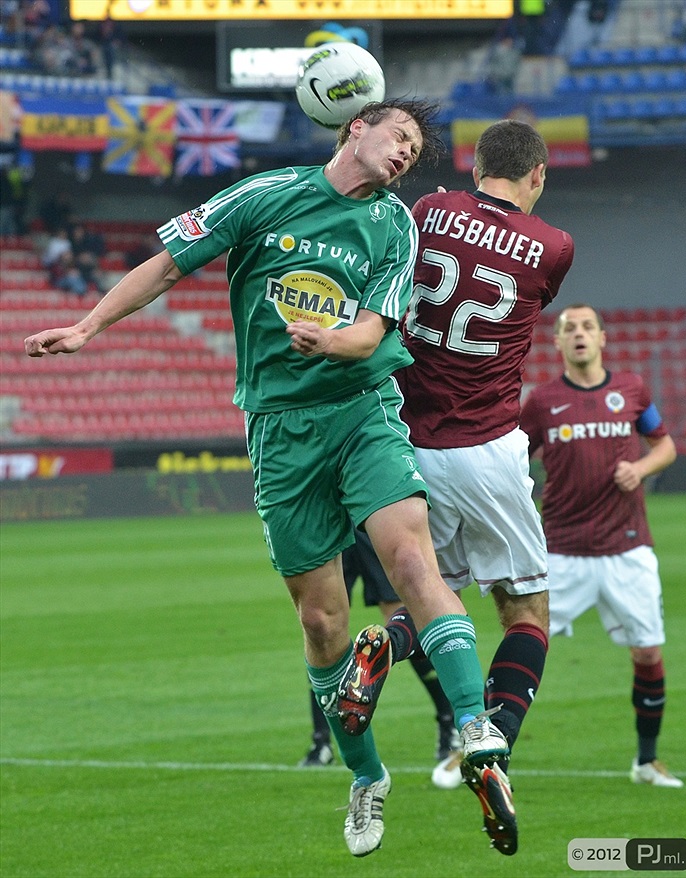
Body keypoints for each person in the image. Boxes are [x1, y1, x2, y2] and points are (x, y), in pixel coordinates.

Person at [23, 99, 511, 859]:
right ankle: (366, 777)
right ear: (357, 126)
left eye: (416, 151)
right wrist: (89, 325)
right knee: (321, 625)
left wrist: (332, 341)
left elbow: (375, 333)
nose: (405, 155)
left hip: (361, 409)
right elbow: (166, 265)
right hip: (280, 433)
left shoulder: (395, 225)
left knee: (411, 557)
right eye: (401, 138)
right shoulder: (262, 196)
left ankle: (478, 726)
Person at [339, 119, 574, 855]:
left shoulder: (428, 211)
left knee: (435, 596)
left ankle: (382, 641)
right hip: (490, 449)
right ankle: (491, 742)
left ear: (474, 167)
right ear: (535, 175)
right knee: (526, 611)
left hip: (407, 443)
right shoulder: (555, 246)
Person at [520, 303, 682, 788]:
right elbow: (513, 460)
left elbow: (666, 445)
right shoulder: (543, 402)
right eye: (569, 328)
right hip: (562, 551)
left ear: (603, 338)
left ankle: (647, 762)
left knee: (648, 653)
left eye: (588, 327)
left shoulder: (631, 390)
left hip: (628, 549)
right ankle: (486, 751)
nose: (579, 334)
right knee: (525, 642)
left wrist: (641, 469)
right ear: (559, 343)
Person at [299, 527, 460, 781]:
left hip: (367, 520)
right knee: (320, 629)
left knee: (398, 618)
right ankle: (321, 742)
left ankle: (448, 722)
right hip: (328, 520)